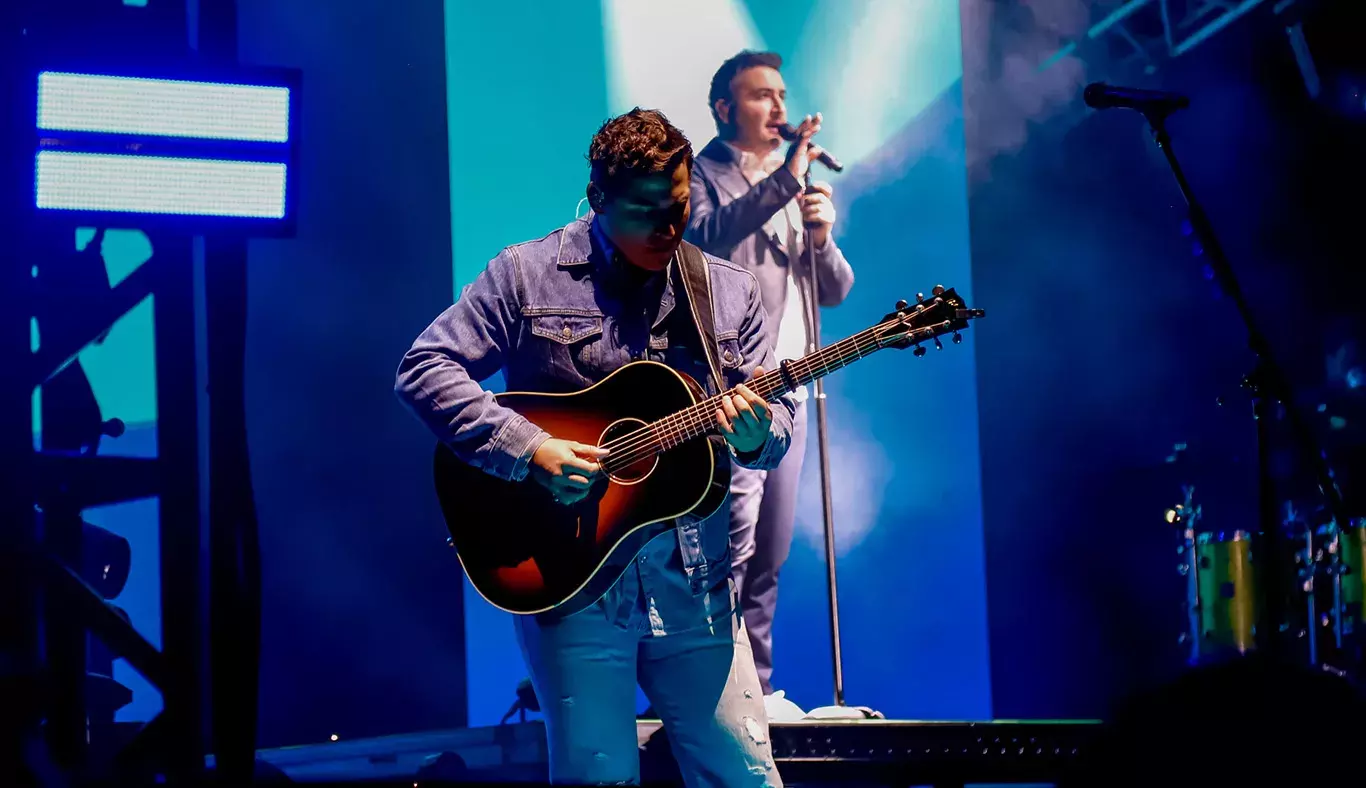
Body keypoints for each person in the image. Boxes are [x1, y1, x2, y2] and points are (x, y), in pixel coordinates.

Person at [394, 107, 797, 787]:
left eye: (679, 205)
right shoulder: (526, 274)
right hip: (571, 577)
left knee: (745, 775)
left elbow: (773, 418)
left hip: (696, 582)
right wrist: (529, 449)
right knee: (599, 777)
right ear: (599, 200)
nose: (669, 228)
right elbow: (424, 367)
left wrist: (760, 435)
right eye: (646, 212)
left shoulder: (727, 292)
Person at [685, 50, 855, 699]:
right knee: (733, 543)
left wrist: (821, 237)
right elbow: (705, 236)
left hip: (797, 386)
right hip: (735, 389)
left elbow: (836, 289)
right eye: (761, 95)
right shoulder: (704, 174)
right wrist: (786, 180)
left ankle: (754, 691)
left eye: (782, 94)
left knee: (772, 556)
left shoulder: (795, 187)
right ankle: (712, 692)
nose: (779, 108)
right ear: (726, 108)